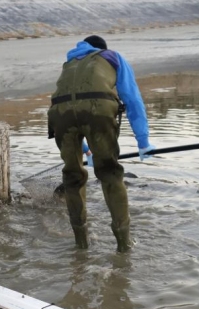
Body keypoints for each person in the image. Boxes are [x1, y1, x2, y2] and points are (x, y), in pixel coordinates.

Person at [47, 35, 155, 252]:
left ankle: (81, 244)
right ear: (101, 50)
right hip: (98, 111)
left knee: (72, 177)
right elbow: (132, 100)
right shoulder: (112, 57)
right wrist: (143, 141)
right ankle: (124, 246)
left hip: (59, 115)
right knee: (110, 174)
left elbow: (72, 107)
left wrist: (85, 150)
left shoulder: (69, 63)